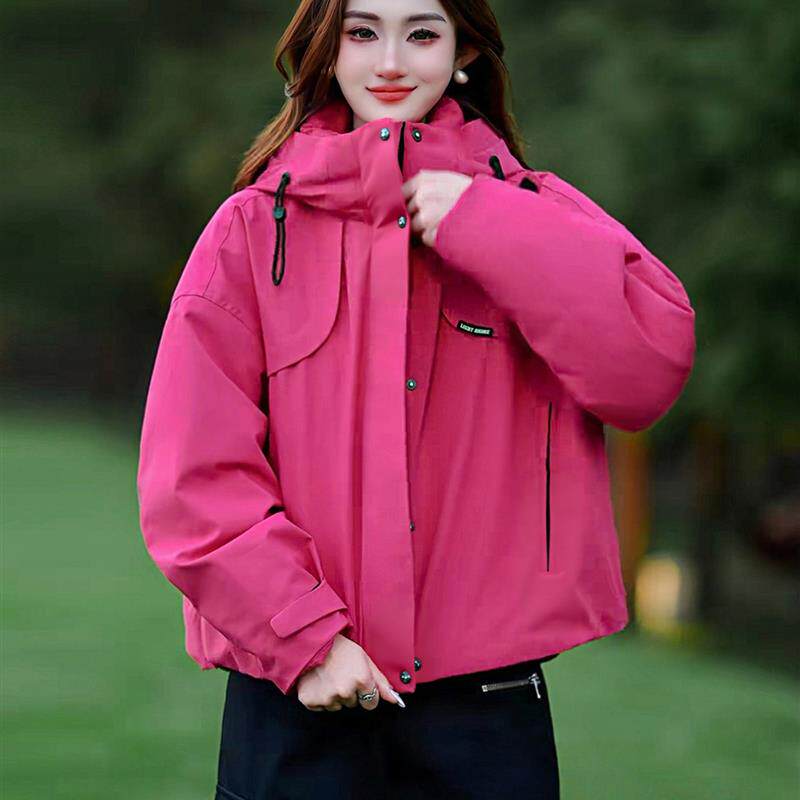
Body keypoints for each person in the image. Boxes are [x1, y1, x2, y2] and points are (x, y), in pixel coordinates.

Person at [136, 1, 696, 798]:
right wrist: (304, 637)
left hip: (486, 716)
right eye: (363, 32)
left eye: (422, 33)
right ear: (327, 48)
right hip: (297, 700)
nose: (391, 61)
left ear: (463, 51)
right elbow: (191, 476)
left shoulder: (534, 211)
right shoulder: (251, 232)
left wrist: (490, 225)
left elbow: (646, 370)